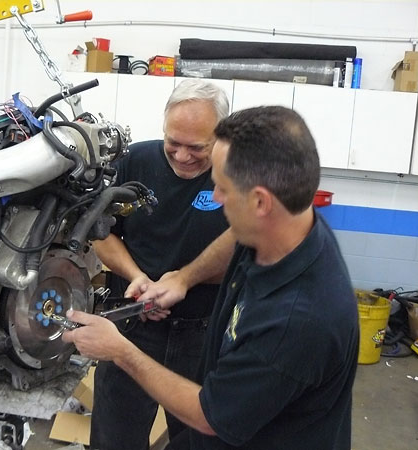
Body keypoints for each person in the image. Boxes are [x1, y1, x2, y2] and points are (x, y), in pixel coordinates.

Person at [63, 106, 359, 450]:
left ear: (260, 202)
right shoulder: (290, 225)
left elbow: (209, 415)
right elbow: (234, 235)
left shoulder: (297, 323)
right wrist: (184, 278)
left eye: (221, 188)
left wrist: (120, 351)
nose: (215, 198)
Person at [89, 79, 235, 450]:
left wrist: (184, 280)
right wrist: (138, 278)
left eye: (197, 147)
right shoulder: (134, 162)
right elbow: (101, 233)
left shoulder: (238, 175)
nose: (183, 156)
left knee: (201, 439)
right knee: (114, 438)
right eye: (174, 143)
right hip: (132, 324)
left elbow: (248, 252)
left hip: (203, 334)